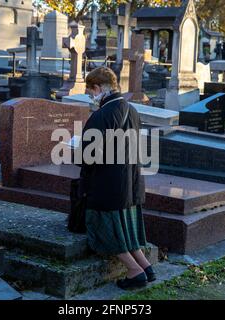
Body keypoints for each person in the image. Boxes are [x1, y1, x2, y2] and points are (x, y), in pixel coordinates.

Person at [80, 67, 156, 290]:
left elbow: (89, 155)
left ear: (97, 88)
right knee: (126, 228)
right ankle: (145, 266)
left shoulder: (101, 115)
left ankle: (134, 272)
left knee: (105, 229)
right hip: (130, 182)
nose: (91, 97)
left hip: (107, 185)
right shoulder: (131, 109)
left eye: (90, 92)